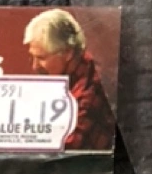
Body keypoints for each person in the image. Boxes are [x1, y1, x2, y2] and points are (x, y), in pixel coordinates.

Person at [23, 9, 112, 150]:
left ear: (68, 53)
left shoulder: (91, 90)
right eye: (32, 57)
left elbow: (68, 149)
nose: (35, 66)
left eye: (41, 58)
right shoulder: (67, 77)